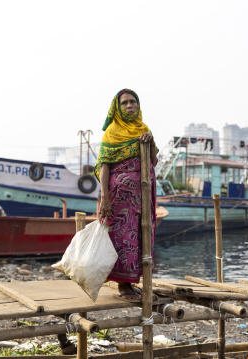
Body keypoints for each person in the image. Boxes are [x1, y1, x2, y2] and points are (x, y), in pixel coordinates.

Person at [94, 88, 158, 302]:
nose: (129, 106)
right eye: (124, 103)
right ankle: (122, 285)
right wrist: (105, 197)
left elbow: (153, 162)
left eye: (133, 102)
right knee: (122, 237)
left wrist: (149, 143)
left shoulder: (144, 129)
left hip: (142, 196)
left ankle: (130, 283)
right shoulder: (112, 132)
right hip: (120, 197)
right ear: (117, 107)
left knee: (140, 236)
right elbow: (104, 166)